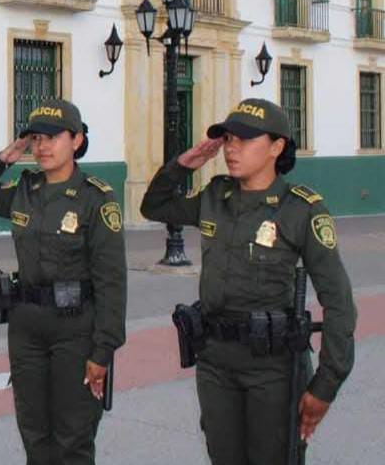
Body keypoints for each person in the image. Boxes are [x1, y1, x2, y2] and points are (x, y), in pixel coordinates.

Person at [140, 98, 356, 464]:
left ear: (276, 146)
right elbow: (154, 206)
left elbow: (338, 301)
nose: (231, 147)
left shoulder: (300, 209)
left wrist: (326, 385)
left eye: (244, 139)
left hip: (273, 368)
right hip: (216, 361)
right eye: (227, 139)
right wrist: (183, 165)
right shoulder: (214, 196)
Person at [0, 99, 127, 464]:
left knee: (73, 438)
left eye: (52, 137)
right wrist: (6, 157)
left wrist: (104, 350)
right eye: (36, 138)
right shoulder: (26, 189)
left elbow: (112, 282)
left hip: (75, 329)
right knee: (34, 434)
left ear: (77, 140)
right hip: (26, 328)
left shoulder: (96, 199)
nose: (42, 146)